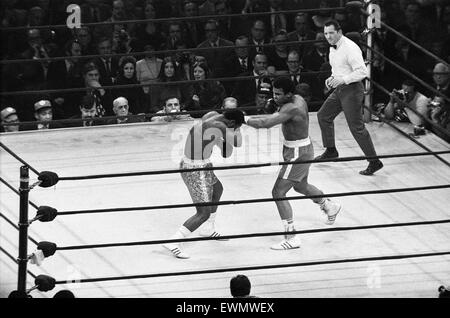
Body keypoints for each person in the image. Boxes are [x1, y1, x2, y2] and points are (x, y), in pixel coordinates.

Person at [245, 77, 342, 250]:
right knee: (300, 186)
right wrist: (276, 104)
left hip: (298, 154)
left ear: (289, 94)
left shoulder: (293, 107)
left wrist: (243, 119)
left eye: (278, 94)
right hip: (299, 148)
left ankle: (291, 236)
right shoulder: (298, 98)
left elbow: (265, 123)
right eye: (274, 93)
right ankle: (329, 206)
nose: (274, 97)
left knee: (278, 192)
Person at [163, 108, 245, 259]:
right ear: (232, 122)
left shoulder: (212, 116)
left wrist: (223, 141)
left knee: (217, 189)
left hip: (202, 164)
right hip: (195, 169)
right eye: (236, 126)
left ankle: (208, 228)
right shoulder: (220, 126)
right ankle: (174, 241)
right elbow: (236, 144)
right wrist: (237, 131)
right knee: (203, 213)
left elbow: (225, 152)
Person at [316, 20, 383, 176]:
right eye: (326, 33)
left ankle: (374, 161)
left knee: (356, 127)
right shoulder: (333, 48)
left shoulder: (350, 48)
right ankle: (331, 150)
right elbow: (337, 69)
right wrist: (332, 78)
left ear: (339, 32)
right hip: (340, 88)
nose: (328, 37)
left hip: (352, 90)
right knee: (323, 116)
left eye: (331, 33)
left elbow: (362, 72)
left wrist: (343, 80)